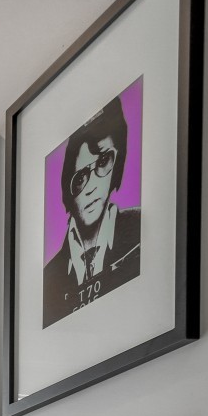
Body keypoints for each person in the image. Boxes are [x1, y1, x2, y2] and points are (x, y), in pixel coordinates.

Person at [43, 94, 142, 327]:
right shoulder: (48, 279)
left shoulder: (143, 230)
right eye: (80, 179)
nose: (91, 188)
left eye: (103, 163)